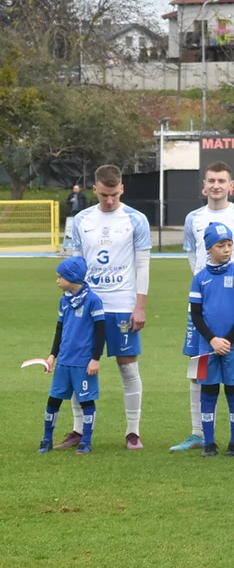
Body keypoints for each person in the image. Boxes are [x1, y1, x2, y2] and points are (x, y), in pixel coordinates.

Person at [173, 162, 234, 452]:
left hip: (233, 310)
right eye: (211, 180)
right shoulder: (193, 218)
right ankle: (198, 433)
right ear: (204, 184)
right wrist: (207, 289)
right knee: (199, 368)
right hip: (203, 308)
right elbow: (192, 257)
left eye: (221, 180)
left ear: (230, 184)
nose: (216, 185)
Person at [68, 164, 149, 450]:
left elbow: (142, 264)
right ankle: (78, 430)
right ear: (95, 190)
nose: (109, 200)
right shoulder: (81, 220)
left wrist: (140, 306)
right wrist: (71, 302)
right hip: (88, 306)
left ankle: (133, 432)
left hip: (122, 305)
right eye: (104, 195)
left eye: (114, 194)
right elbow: (75, 265)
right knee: (80, 366)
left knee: (127, 368)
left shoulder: (136, 220)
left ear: (122, 189)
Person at [188, 223, 234, 457]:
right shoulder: (199, 279)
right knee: (208, 390)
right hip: (206, 346)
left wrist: (227, 340)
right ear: (208, 248)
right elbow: (195, 315)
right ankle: (209, 442)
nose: (226, 249)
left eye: (229, 245)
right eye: (220, 245)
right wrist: (213, 340)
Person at [38, 256, 104, 455]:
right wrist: (52, 356)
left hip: (83, 363)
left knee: (86, 402)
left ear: (72, 277)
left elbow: (101, 331)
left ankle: (86, 441)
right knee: (53, 400)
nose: (57, 280)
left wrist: (95, 358)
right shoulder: (64, 301)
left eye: (60, 277)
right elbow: (59, 330)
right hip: (64, 362)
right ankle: (47, 439)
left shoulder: (93, 300)